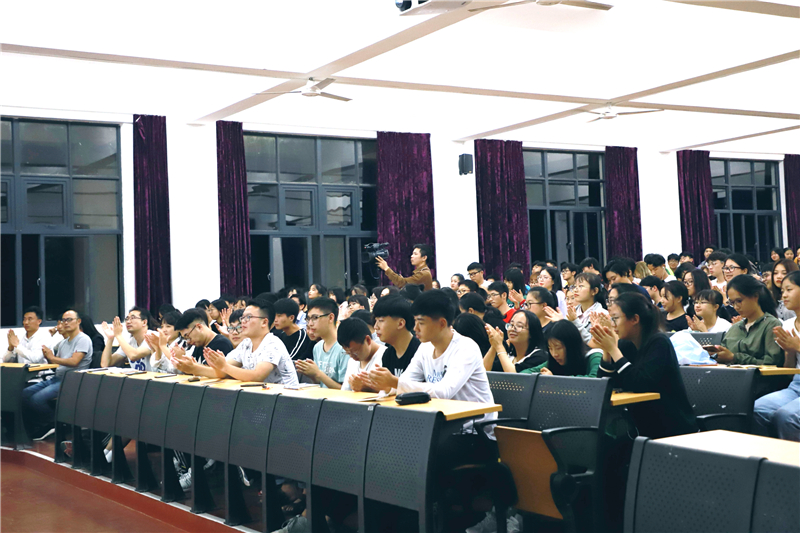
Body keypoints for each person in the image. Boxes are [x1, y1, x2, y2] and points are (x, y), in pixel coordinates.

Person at [366, 290, 496, 431]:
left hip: (475, 429)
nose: (415, 328)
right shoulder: (425, 347)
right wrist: (388, 386)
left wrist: (394, 383)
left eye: (421, 322)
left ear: (442, 323)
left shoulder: (466, 348)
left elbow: (444, 392)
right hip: (442, 424)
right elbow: (405, 381)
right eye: (415, 321)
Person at [591, 293, 697, 439]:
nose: (613, 324)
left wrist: (613, 349)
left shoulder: (659, 343)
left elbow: (640, 383)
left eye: (615, 319)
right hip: (640, 426)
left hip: (671, 428)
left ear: (635, 319)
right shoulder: (626, 344)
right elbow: (605, 385)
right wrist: (607, 351)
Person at [21, 309, 93, 439]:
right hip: (57, 378)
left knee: (36, 400)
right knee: (24, 394)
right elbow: (56, 363)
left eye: (69, 320)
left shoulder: (83, 339)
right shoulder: (63, 342)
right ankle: (43, 424)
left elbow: (74, 361)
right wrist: (48, 357)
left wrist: (52, 358)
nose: (66, 323)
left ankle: (54, 424)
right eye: (64, 320)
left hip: (73, 381)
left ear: (78, 321)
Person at [202, 300, 299, 386]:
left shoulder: (272, 343)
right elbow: (222, 372)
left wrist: (224, 366)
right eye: (242, 318)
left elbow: (258, 376)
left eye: (248, 317)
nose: (243, 321)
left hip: (286, 396)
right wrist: (195, 368)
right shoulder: (246, 343)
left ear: (264, 322)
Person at [753, 271, 800, 441]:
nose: (784, 295)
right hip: (796, 385)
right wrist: (790, 352)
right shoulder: (787, 325)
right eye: (782, 291)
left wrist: (798, 346)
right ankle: (767, 455)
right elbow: (789, 371)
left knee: (786, 416)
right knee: (757, 409)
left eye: (789, 289)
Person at [705, 275, 783, 366]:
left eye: (739, 301)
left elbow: (772, 362)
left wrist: (734, 358)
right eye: (732, 303)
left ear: (755, 296)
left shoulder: (771, 325)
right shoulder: (735, 328)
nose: (736, 307)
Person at [295, 297, 349, 389]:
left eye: (315, 318)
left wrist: (317, 373)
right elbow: (320, 382)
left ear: (331, 318)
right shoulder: (318, 347)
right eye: (308, 319)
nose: (310, 323)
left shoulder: (345, 348)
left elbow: (345, 390)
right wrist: (311, 373)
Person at [521, 320, 601, 377]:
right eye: (550, 348)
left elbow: (593, 381)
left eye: (558, 348)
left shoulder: (594, 357)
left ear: (571, 345)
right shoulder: (554, 361)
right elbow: (526, 373)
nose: (554, 354)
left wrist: (555, 380)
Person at [370, 295, 421, 383]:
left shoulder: (419, 352)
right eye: (376, 321)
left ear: (400, 323)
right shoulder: (388, 354)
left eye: (381, 321)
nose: (376, 327)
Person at [483, 310, 548, 373]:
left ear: (532, 332)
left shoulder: (540, 356)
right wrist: (494, 345)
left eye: (519, 326)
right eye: (511, 325)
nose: (512, 329)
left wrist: (499, 346)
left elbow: (514, 377)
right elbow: (483, 372)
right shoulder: (509, 354)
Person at [337, 318, 385, 392]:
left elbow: (392, 391)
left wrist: (367, 388)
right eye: (348, 353)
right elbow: (345, 391)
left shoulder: (385, 357)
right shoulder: (352, 361)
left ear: (368, 340)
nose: (352, 357)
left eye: (355, 352)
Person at [562, 272, 607, 343]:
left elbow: (594, 343)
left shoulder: (602, 315)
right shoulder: (573, 312)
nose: (575, 290)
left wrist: (575, 321)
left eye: (581, 286)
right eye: (575, 286)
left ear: (594, 291)